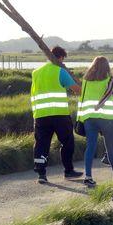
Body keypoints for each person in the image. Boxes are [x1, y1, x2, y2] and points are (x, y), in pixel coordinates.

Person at [31, 46, 83, 184]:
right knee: (68, 142)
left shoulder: (36, 72)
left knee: (41, 144)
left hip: (40, 115)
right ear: (61, 58)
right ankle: (68, 171)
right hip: (59, 114)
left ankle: (41, 174)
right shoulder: (60, 71)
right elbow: (77, 90)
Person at [77, 56, 113, 187]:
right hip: (106, 118)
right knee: (110, 146)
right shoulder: (110, 80)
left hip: (89, 118)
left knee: (90, 146)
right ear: (107, 67)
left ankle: (88, 176)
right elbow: (108, 93)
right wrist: (99, 105)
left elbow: (81, 100)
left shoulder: (86, 81)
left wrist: (79, 119)